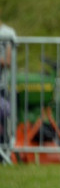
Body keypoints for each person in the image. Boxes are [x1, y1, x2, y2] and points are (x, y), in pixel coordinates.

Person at [0, 9, 15, 148]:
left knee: (4, 114)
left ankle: (4, 149)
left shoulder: (7, 33)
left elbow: (7, 61)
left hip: (2, 88)